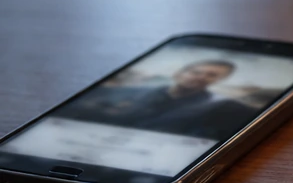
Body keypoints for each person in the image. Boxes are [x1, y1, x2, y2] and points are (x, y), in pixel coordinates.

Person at [61, 60, 255, 141]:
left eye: (211, 75)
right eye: (195, 72)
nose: (200, 77)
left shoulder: (218, 109)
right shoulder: (128, 93)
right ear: (179, 73)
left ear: (219, 81)